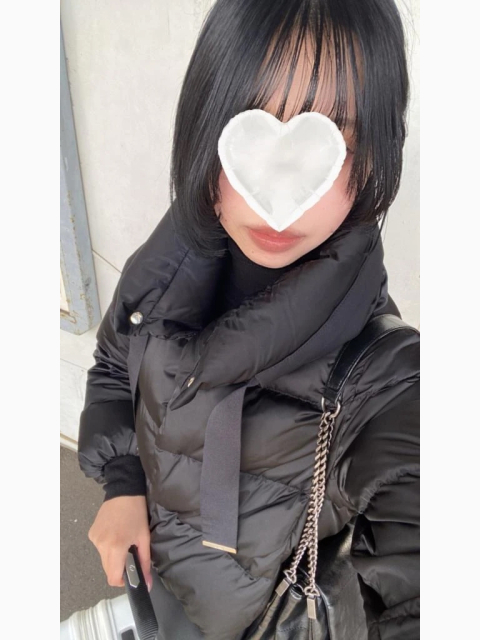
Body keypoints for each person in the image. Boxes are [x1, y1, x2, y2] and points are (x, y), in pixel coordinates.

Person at [78, 1, 419, 639]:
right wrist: (122, 483)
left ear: (374, 156)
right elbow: (114, 364)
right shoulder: (169, 264)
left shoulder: (388, 381)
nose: (277, 194)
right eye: (251, 128)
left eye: (333, 140)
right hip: (156, 591)